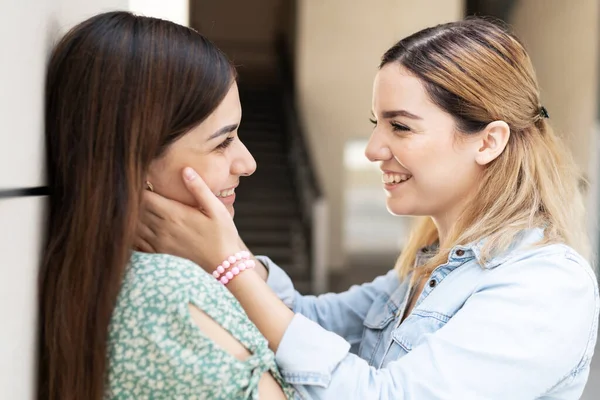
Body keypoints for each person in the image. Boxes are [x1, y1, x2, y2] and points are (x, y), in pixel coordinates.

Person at [136, 18, 600, 399]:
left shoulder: (546, 285)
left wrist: (229, 264)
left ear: (489, 141)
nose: (374, 148)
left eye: (400, 127)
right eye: (377, 124)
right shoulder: (426, 268)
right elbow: (304, 320)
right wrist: (222, 248)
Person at [38, 11, 294, 400]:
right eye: (222, 142)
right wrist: (232, 265)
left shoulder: (108, 271)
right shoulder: (169, 292)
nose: (248, 163)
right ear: (137, 159)